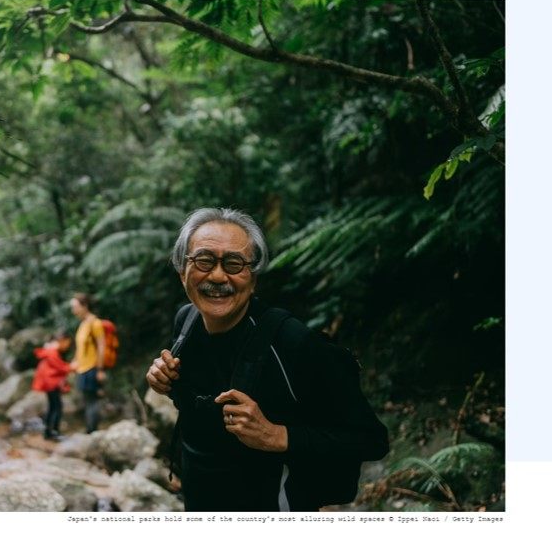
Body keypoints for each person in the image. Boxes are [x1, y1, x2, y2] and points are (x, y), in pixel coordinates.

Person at [145, 207, 389, 511]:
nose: (218, 275)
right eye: (204, 261)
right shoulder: (186, 322)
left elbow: (372, 439)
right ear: (183, 272)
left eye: (234, 263)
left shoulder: (292, 343)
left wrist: (279, 436)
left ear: (253, 279)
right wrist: (164, 379)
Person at [69, 292, 107, 433]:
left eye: (75, 306)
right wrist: (74, 362)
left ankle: (92, 431)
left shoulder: (95, 323)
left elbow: (102, 347)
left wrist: (100, 369)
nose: (74, 310)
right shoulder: (83, 324)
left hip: (92, 368)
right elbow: (80, 348)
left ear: (85, 306)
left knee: (92, 401)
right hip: (82, 369)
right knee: (87, 400)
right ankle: (89, 430)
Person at [32, 332, 72, 440]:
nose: (68, 346)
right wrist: (72, 367)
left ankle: (48, 431)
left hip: (48, 383)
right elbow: (61, 367)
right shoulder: (52, 352)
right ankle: (54, 432)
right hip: (51, 383)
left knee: (52, 407)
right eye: (68, 343)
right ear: (62, 341)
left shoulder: (49, 351)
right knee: (57, 407)